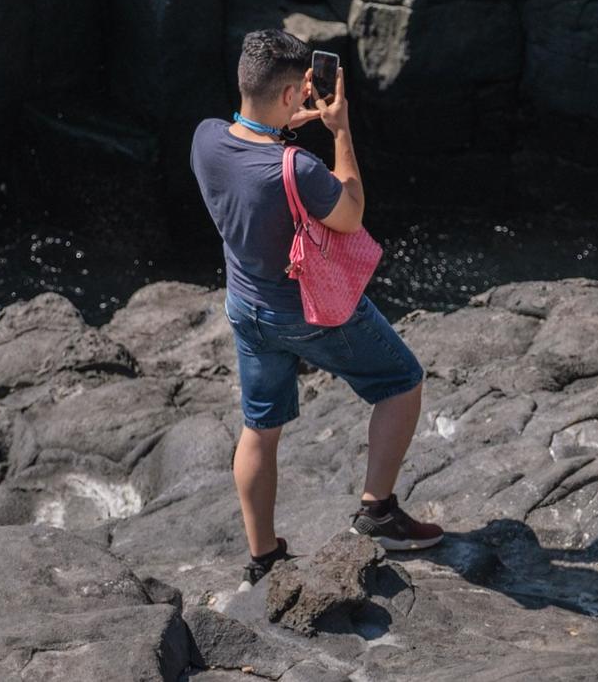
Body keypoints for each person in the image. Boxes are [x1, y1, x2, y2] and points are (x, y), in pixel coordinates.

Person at [190, 30, 443, 587]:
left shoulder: (205, 139)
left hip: (246, 309)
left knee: (259, 429)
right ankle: (377, 512)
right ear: (291, 95)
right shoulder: (297, 168)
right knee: (402, 383)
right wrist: (339, 129)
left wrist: (281, 125)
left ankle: (263, 558)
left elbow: (251, 155)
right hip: (309, 311)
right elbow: (350, 212)